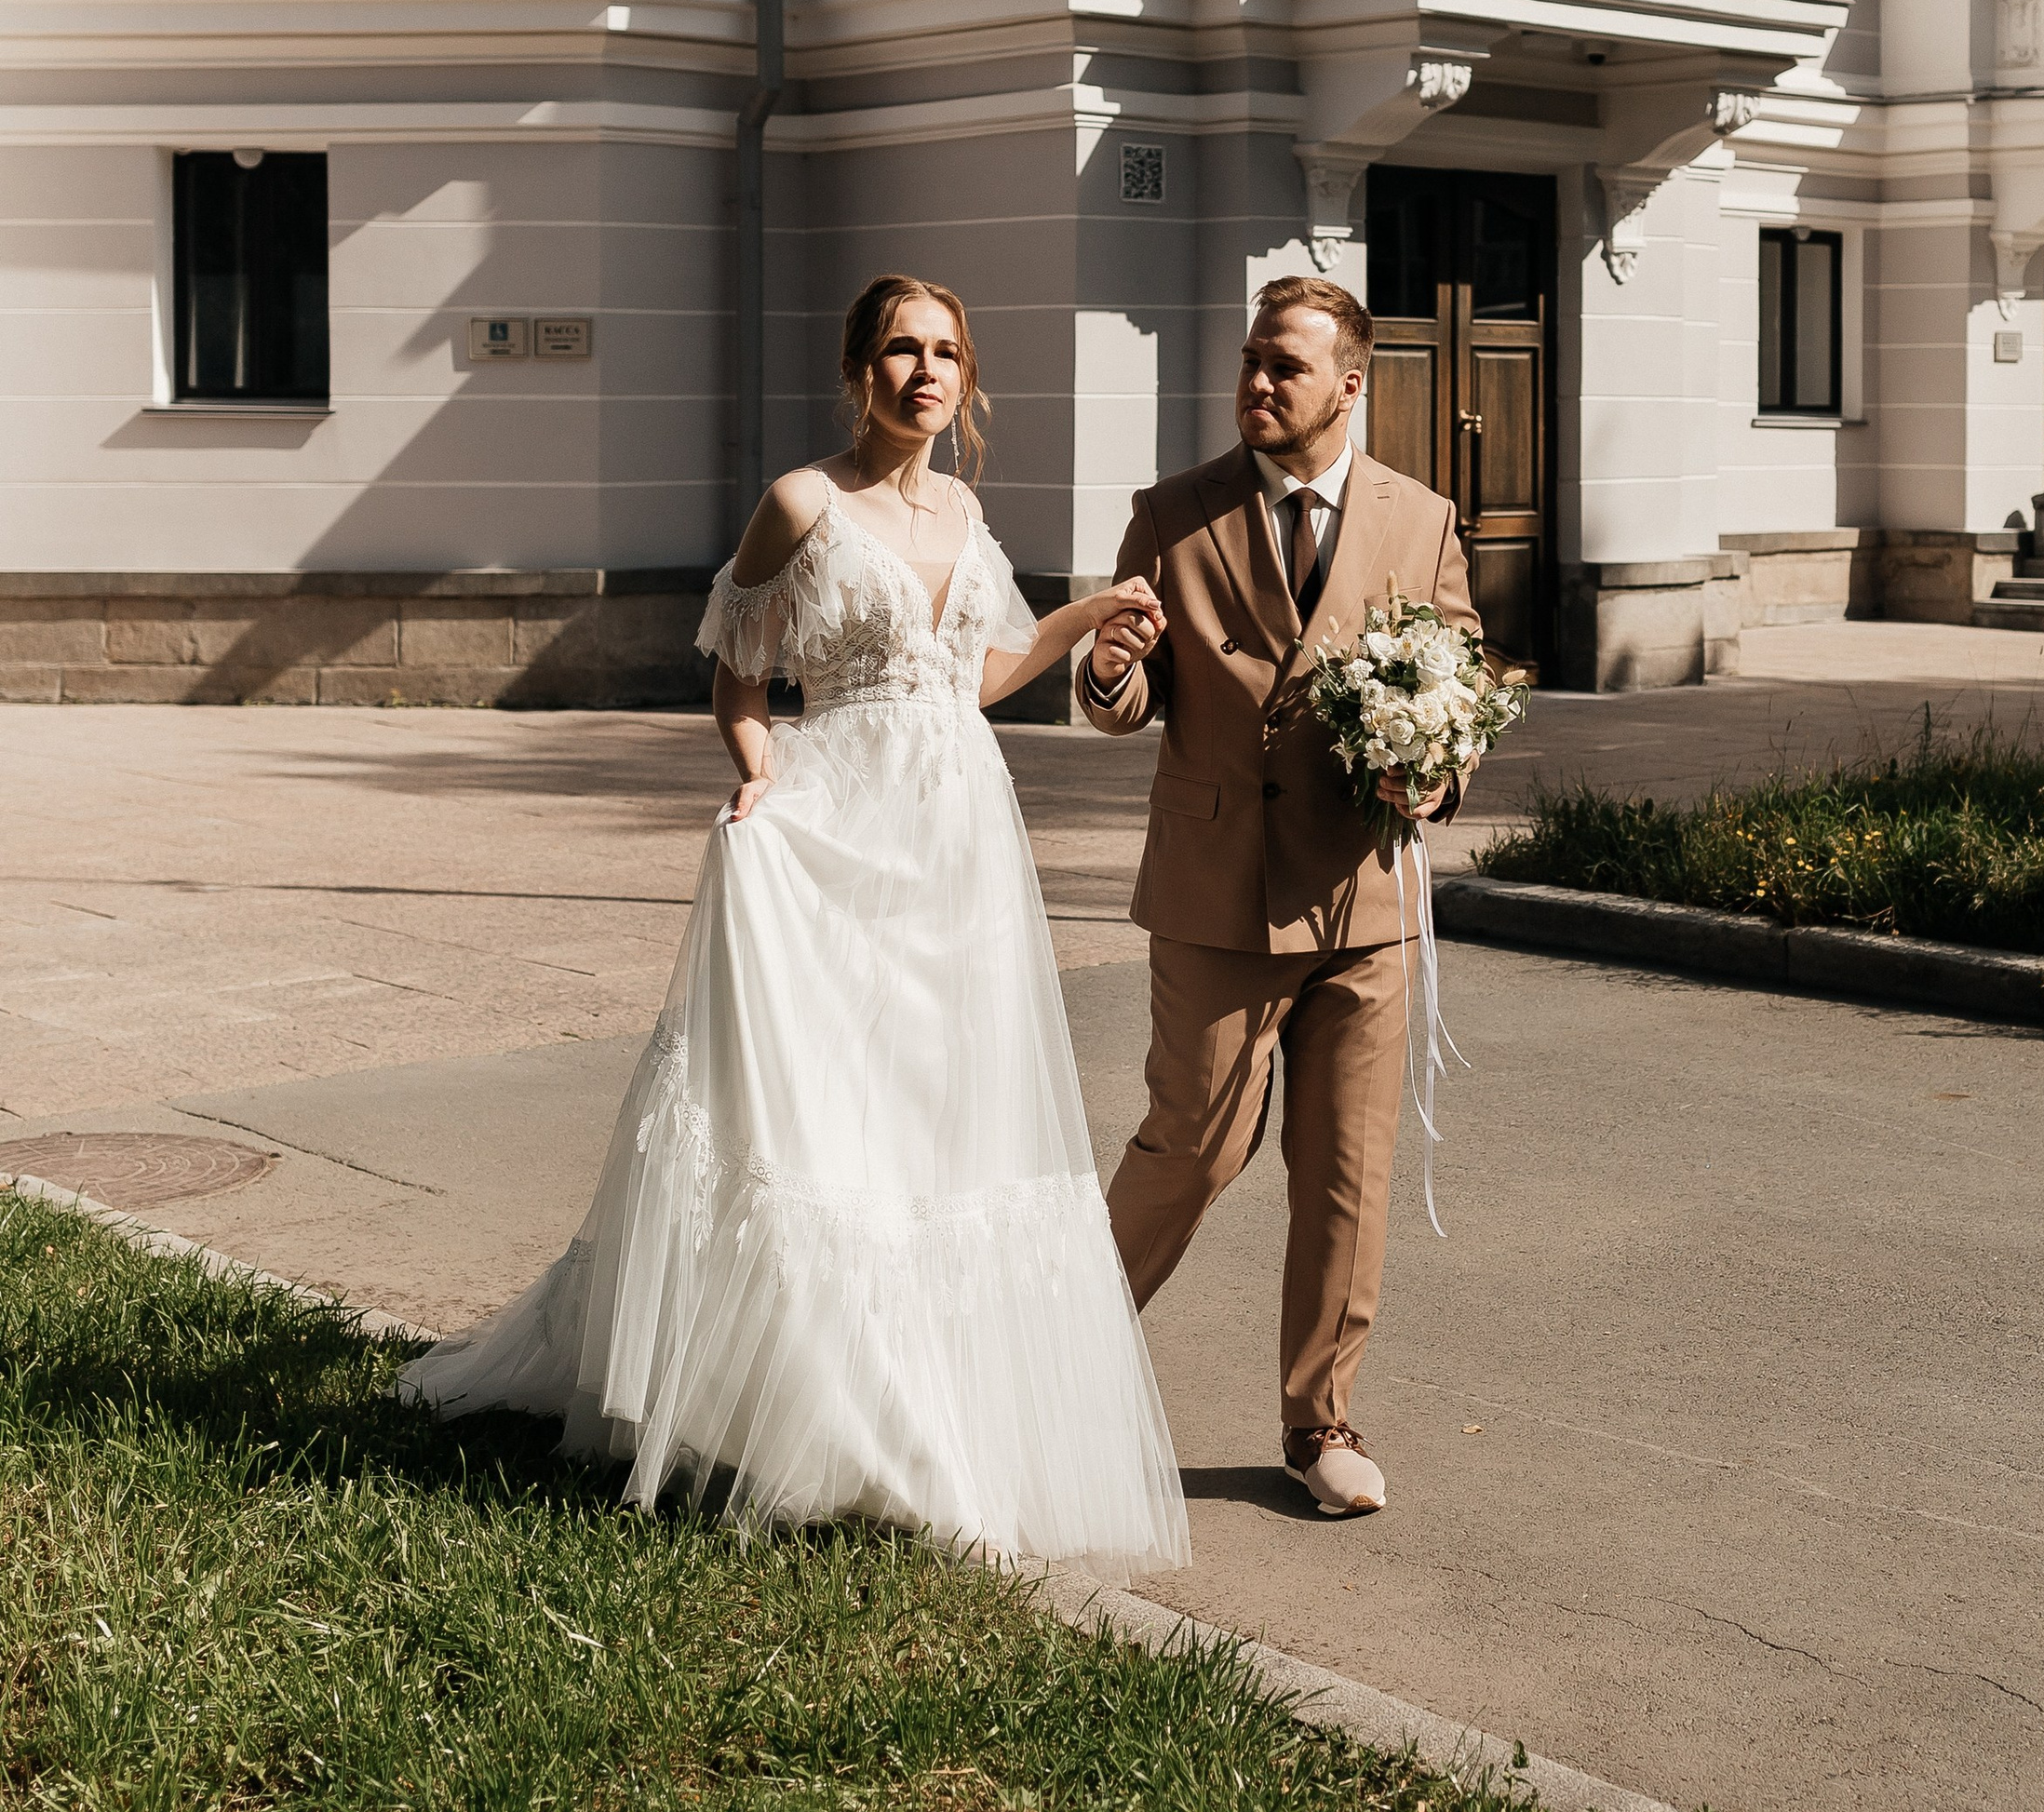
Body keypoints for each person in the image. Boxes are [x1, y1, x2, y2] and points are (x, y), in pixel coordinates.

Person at [399, 274, 1189, 1576]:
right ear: (858, 370)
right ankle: (827, 1413)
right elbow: (736, 672)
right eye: (899, 350)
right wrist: (758, 770)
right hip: (837, 827)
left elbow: (979, 677)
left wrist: (1091, 614)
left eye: (944, 353)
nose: (923, 373)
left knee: (942, 1105)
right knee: (832, 1106)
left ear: (966, 379)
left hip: (960, 839)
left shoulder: (968, 507)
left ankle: (927, 1396)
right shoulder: (803, 504)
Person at [1076, 277, 1481, 1518]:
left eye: (1283, 369)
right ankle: (1050, 1365)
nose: (1255, 384)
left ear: (1348, 385)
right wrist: (1107, 673)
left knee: (1343, 1172)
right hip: (1216, 892)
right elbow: (1122, 702)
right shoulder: (1175, 513)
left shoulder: (1421, 518)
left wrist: (1439, 764)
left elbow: (1455, 676)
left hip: (1363, 895)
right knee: (1190, 1146)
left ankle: (1322, 1426)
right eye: (1249, 362)